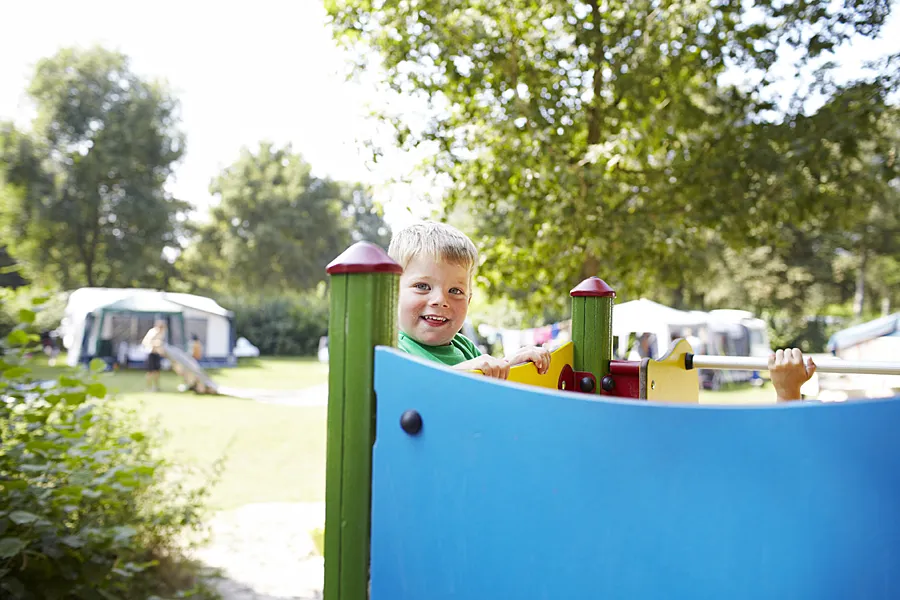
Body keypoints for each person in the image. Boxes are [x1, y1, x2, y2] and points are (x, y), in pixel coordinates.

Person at [387, 221, 550, 379]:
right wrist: (465, 372)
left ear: (469, 300)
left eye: (455, 291)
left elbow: (486, 385)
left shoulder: (464, 347)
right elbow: (411, 388)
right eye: (422, 286)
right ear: (393, 292)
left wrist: (508, 365)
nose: (440, 300)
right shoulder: (391, 348)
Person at [142, 320, 167, 392]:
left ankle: (156, 386)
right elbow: (146, 342)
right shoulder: (153, 332)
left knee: (157, 371)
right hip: (151, 353)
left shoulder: (162, 333)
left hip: (157, 354)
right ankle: (148, 387)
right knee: (150, 372)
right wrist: (155, 343)